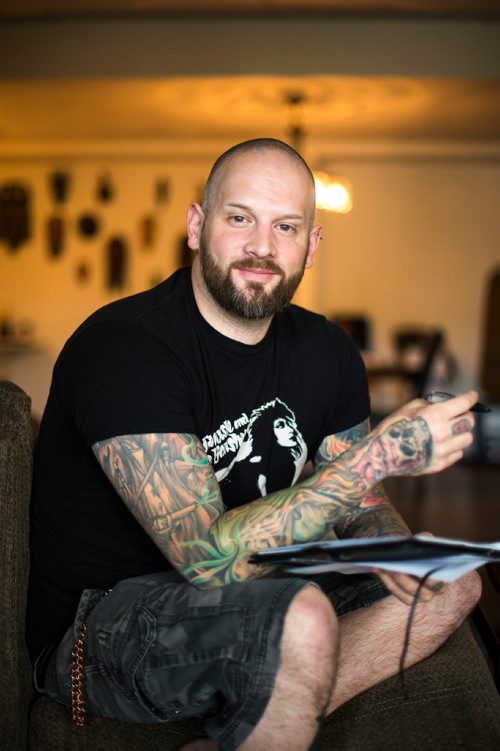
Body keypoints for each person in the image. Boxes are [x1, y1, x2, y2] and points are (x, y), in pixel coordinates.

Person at [27, 138, 481, 751]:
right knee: (302, 616)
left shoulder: (328, 350)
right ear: (196, 225)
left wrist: (393, 549)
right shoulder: (123, 349)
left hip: (267, 584)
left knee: (457, 584)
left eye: (285, 226)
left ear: (311, 246)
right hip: (102, 622)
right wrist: (382, 451)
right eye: (239, 217)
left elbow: (358, 502)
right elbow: (207, 563)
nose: (262, 247)